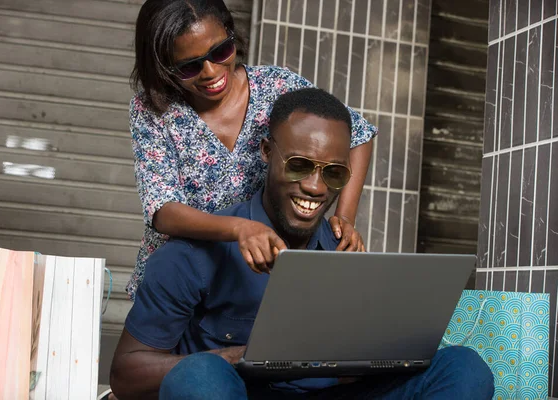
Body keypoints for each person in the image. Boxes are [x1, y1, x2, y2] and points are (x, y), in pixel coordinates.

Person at [110, 88, 494, 399]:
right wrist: (240, 357)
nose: (314, 186)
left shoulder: (347, 253)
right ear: (266, 153)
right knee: (197, 377)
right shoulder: (192, 254)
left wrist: (376, 359)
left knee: (464, 368)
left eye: (334, 172)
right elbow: (127, 375)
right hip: (239, 392)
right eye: (298, 165)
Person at [126, 0, 378, 300]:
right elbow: (164, 211)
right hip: (187, 279)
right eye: (189, 66)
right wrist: (240, 228)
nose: (210, 72)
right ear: (164, 66)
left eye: (220, 52)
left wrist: (345, 218)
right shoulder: (153, 110)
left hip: (259, 275)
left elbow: (358, 133)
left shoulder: (276, 86)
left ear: (232, 36)